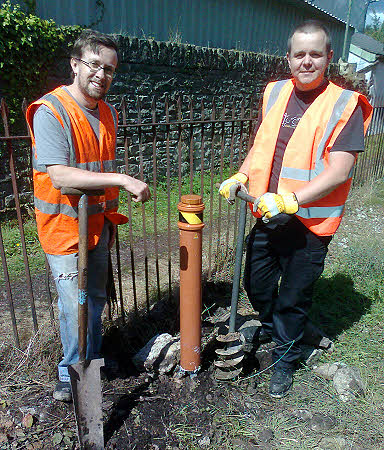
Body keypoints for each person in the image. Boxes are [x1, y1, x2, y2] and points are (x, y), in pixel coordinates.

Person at [219, 20, 372, 398]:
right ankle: (282, 329)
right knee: (256, 282)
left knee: (294, 296)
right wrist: (241, 174)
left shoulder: (343, 104)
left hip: (311, 221)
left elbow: (339, 169)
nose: (307, 61)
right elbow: (261, 145)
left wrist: (293, 199)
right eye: (299, 54)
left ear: (329, 58)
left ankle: (285, 359)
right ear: (288, 58)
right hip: (268, 213)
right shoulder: (274, 93)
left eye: (315, 54)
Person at [26, 30, 150, 402]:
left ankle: (91, 360)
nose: (102, 74)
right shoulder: (51, 111)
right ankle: (70, 374)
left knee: (93, 300)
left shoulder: (107, 112)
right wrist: (122, 179)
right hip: (65, 229)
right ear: (75, 64)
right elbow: (61, 175)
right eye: (94, 64)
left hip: (97, 225)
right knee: (73, 304)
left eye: (109, 69)